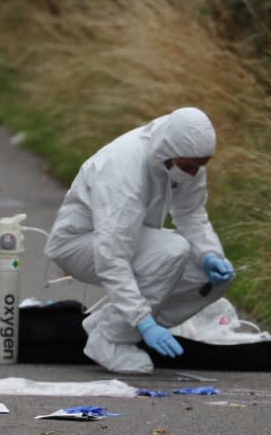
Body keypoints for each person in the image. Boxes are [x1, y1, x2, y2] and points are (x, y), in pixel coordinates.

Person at [44, 107, 235, 374]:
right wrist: (143, 321)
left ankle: (110, 325)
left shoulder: (180, 156)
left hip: (127, 238)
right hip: (80, 243)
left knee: (208, 278)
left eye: (199, 167)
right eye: (188, 167)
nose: (193, 175)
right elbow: (112, 257)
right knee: (172, 252)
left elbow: (189, 211)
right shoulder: (123, 172)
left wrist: (209, 254)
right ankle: (109, 341)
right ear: (168, 152)